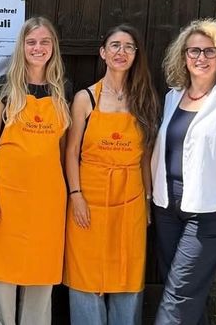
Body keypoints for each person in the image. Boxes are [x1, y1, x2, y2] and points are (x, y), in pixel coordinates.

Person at [0, 17, 71, 325]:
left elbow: (64, 149)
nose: (38, 48)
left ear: (53, 47)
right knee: (2, 271)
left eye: (45, 42)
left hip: (48, 198)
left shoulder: (63, 90)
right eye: (31, 42)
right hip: (6, 195)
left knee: (41, 272)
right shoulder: (3, 87)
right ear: (22, 47)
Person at [63, 25, 159, 325]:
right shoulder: (85, 99)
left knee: (128, 273)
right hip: (88, 198)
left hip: (129, 198)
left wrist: (147, 198)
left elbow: (145, 156)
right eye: (115, 46)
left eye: (129, 47)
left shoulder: (145, 100)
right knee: (85, 272)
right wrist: (75, 195)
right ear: (103, 53)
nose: (121, 52)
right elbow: (70, 152)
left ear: (135, 56)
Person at [151, 19, 216, 324]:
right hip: (166, 207)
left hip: (209, 211)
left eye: (209, 51)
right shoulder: (173, 96)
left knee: (179, 297)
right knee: (181, 293)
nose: (200, 58)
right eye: (193, 51)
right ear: (183, 56)